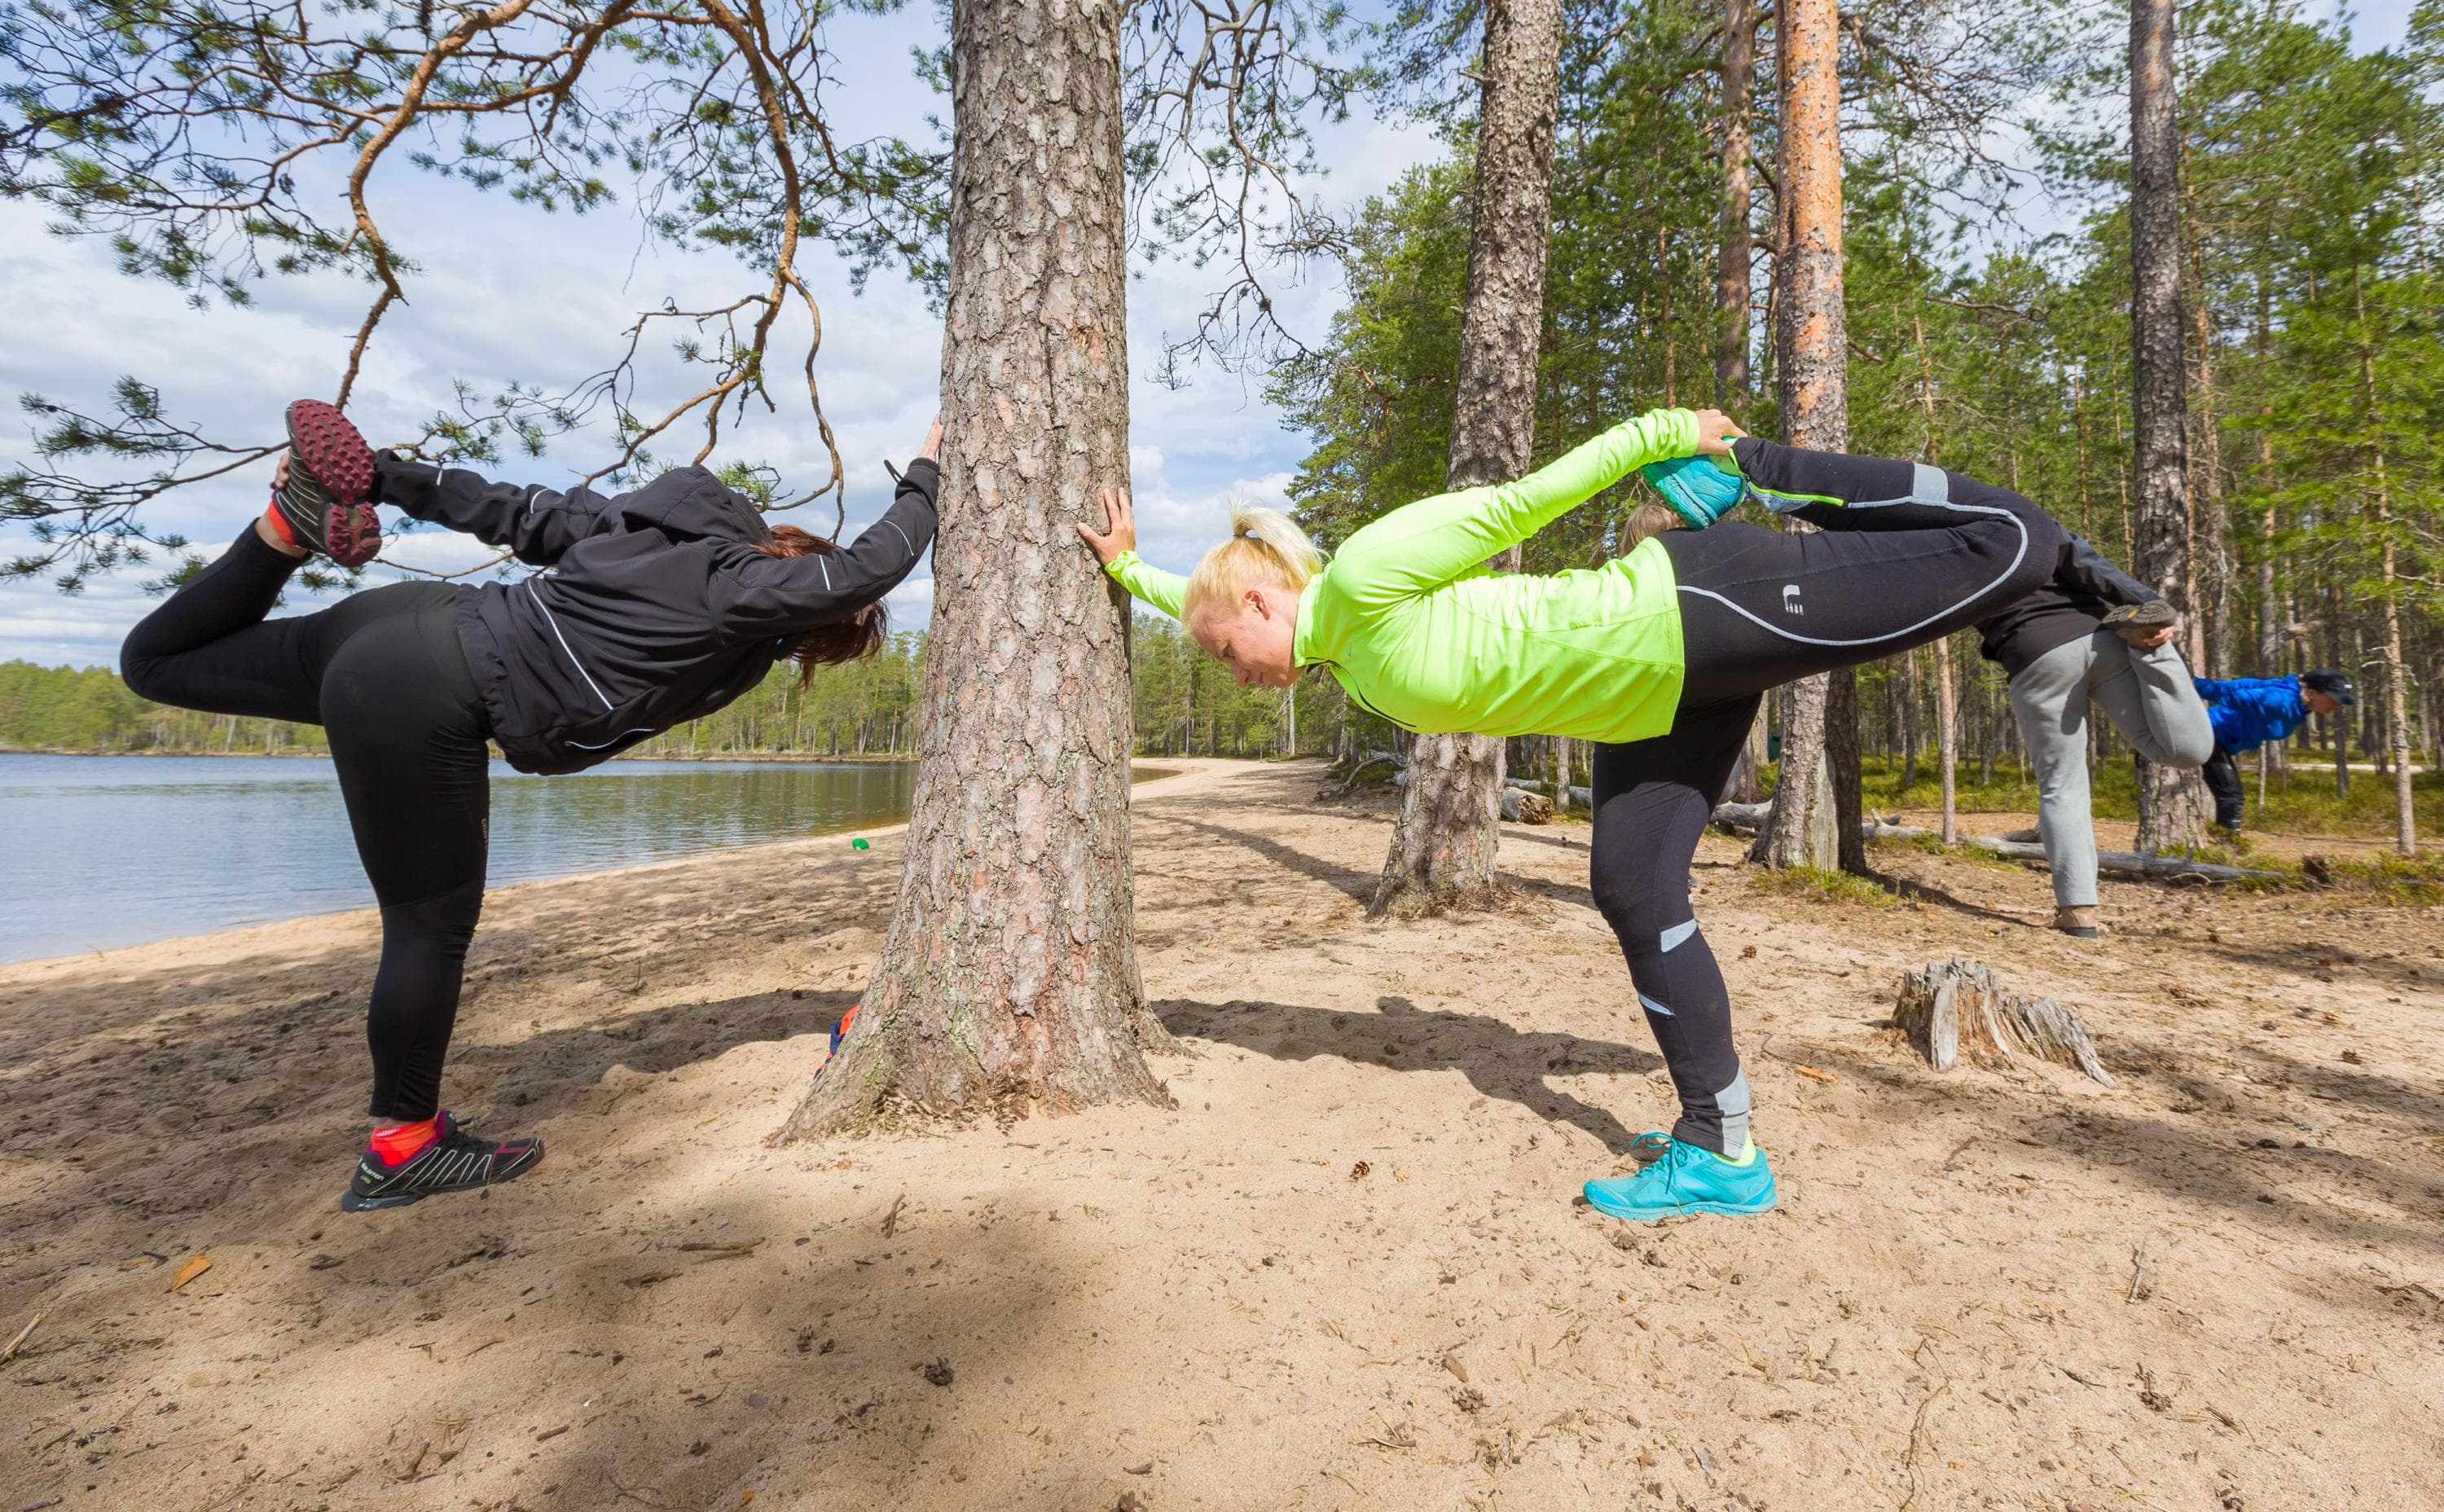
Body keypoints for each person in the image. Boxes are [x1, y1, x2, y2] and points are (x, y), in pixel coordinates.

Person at [1077, 408, 2073, 1223]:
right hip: (1651, 700)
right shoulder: (1338, 642)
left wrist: (1666, 432)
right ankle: (1721, 1148)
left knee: (2012, 543)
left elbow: (1522, 502)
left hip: (1693, 608)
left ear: (1262, 602)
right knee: (1634, 886)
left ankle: (1773, 471)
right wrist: (1128, 571)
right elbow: (1198, 599)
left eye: (1225, 653)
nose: (1234, 674)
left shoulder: (1366, 572)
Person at [121, 401, 942, 1211]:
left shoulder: (644, 525)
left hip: (404, 618)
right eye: (805, 641)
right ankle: (403, 1149)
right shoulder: (741, 591)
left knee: (155, 663)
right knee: (427, 929)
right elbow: (866, 570)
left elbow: (509, 507)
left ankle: (280, 532)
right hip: (431, 690)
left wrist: (382, 478)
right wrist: (927, 475)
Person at [1972, 538, 2215, 937]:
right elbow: (2084, 562)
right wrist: (2148, 602)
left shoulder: (1942, 545)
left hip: (2035, 654)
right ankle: (2152, 647)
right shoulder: (2018, 516)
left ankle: (2079, 912)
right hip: (2100, 637)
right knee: (2184, 751)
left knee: (2062, 785)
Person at [2193, 669, 2357, 832]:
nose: (2338, 705)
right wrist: (2192, 683)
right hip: (2211, 734)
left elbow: (2244, 685)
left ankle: (2226, 842)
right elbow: (2231, 695)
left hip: (2216, 736)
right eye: (2334, 699)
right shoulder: (2280, 700)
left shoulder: (2292, 696)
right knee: (2232, 797)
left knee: (2232, 796)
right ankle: (2227, 844)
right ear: (2312, 693)